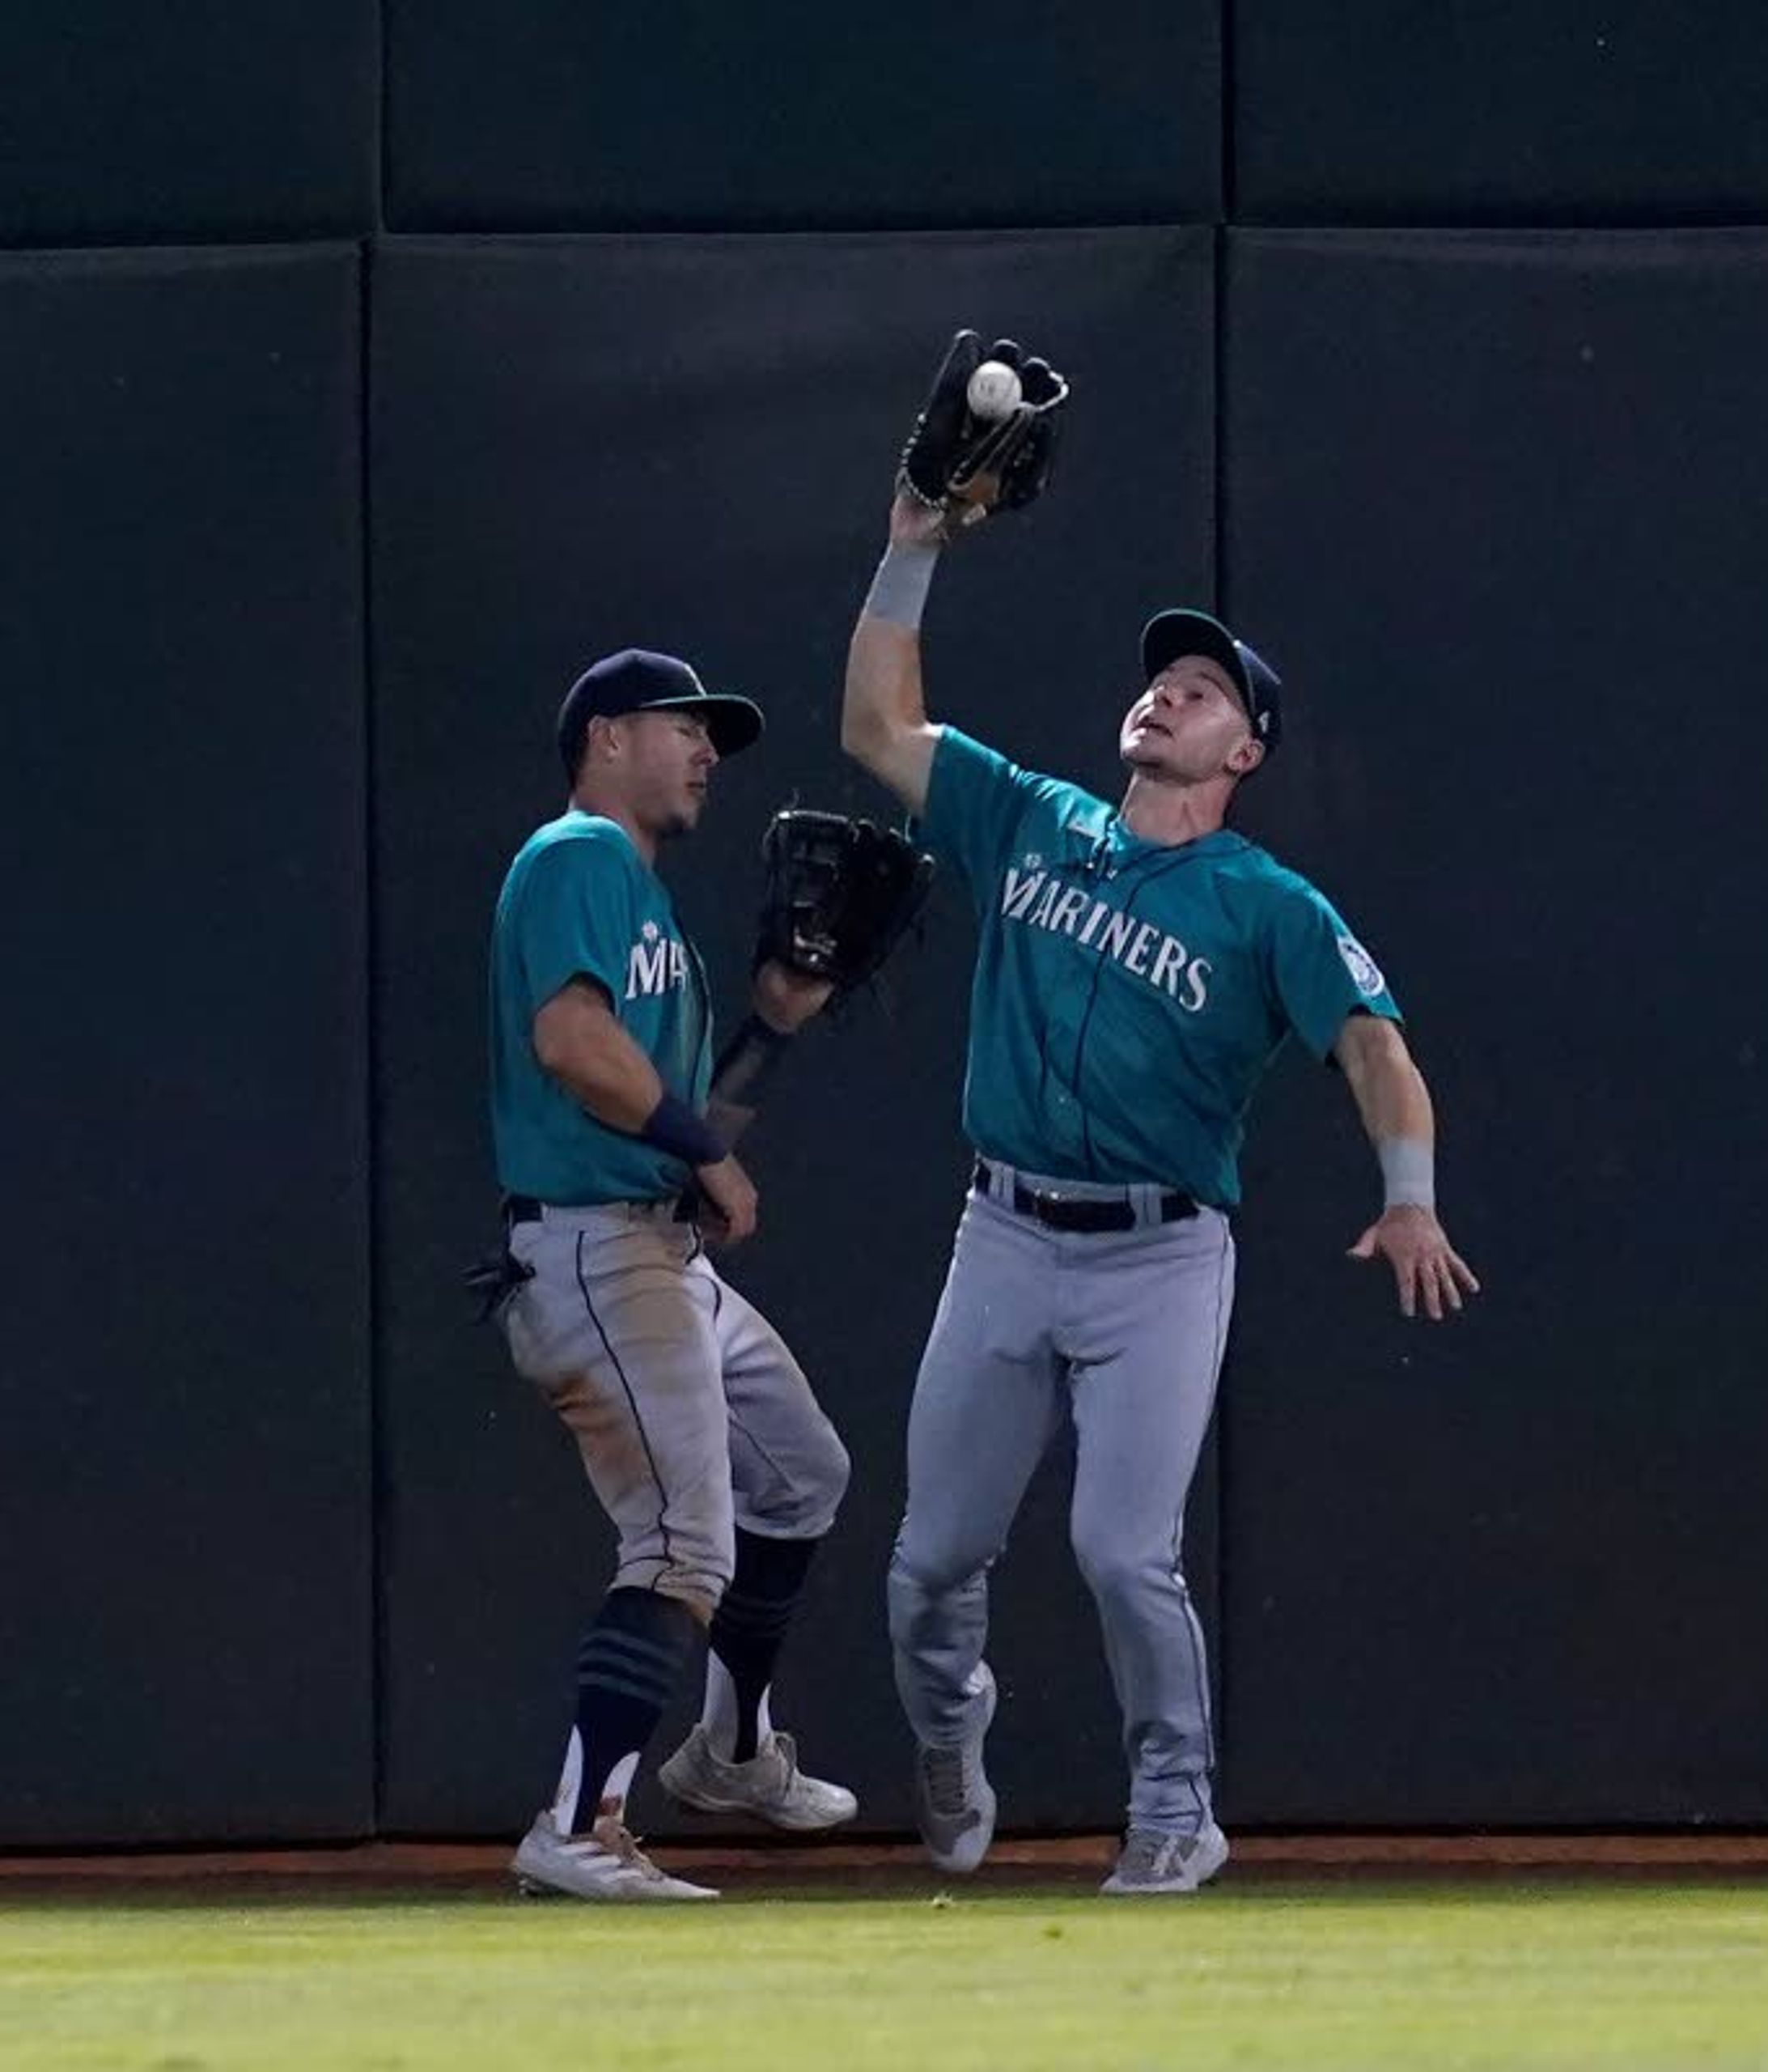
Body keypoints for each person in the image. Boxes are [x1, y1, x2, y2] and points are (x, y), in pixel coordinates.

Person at [840, 493, 1481, 1896]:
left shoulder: (1268, 905)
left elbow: (1376, 1050)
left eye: (1201, 692)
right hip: (1002, 1231)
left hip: (1157, 1259)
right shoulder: (1030, 819)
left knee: (1124, 1554)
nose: (1167, 694)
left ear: (1243, 750)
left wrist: (1412, 1193)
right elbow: (878, 730)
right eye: (1161, 679)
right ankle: (952, 1739)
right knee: (928, 1563)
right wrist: (915, 548)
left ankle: (1176, 1805)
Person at [485, 648, 857, 1901]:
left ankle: (734, 1752)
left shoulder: (646, 907)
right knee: (683, 1544)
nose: (706, 750)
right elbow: (571, 1042)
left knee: (801, 1476)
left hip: (659, 1243)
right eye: (684, 726)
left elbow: (694, 1130)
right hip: (596, 1243)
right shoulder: (575, 857)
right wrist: (702, 1150)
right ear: (603, 736)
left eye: (714, 736)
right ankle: (580, 1827)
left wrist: (773, 1029)